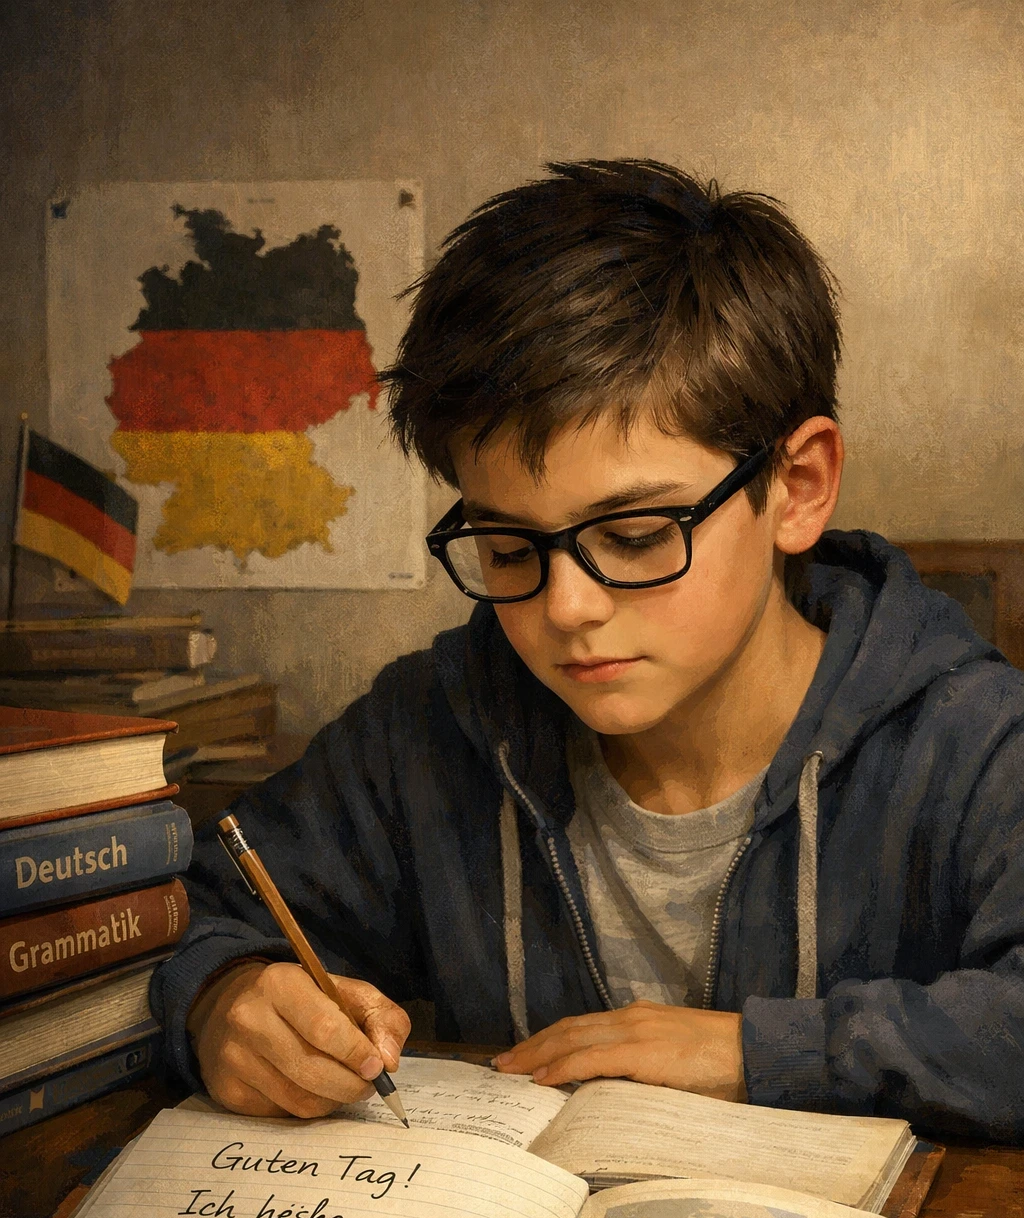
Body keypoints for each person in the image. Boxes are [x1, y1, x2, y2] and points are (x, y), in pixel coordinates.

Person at [154, 159, 1024, 1143]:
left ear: (797, 485)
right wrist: (219, 996)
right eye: (508, 545)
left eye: (639, 534)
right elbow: (184, 915)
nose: (565, 607)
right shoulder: (426, 731)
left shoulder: (973, 741)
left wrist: (750, 1051)